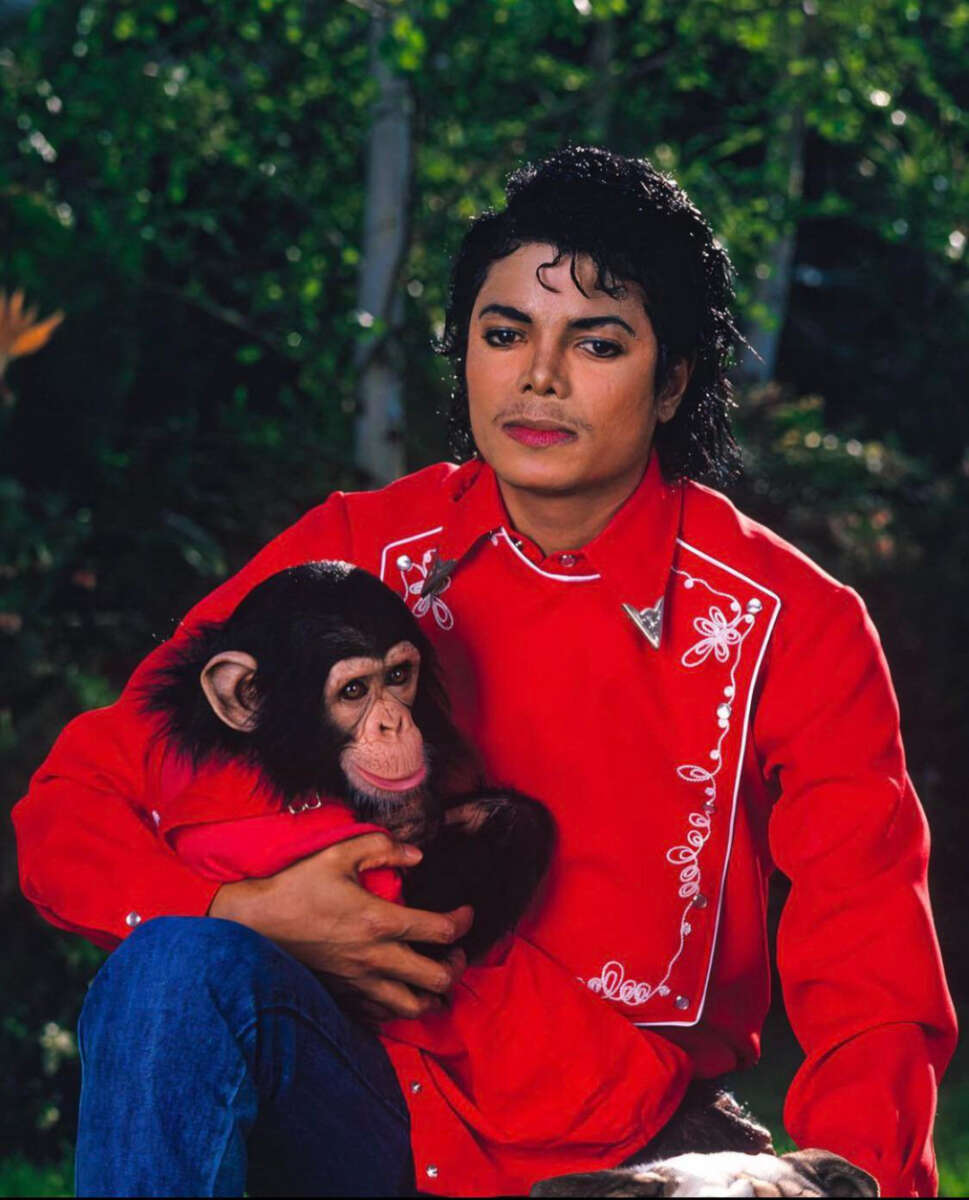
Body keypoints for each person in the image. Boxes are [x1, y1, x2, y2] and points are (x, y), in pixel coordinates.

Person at [13, 146, 956, 1198]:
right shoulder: (351, 558)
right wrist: (241, 911)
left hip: (630, 1141)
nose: (538, 377)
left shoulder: (795, 624)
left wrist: (858, 1181)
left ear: (674, 378)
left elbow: (872, 977)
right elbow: (77, 797)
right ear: (464, 350)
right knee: (174, 971)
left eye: (596, 343)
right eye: (504, 334)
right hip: (358, 1107)